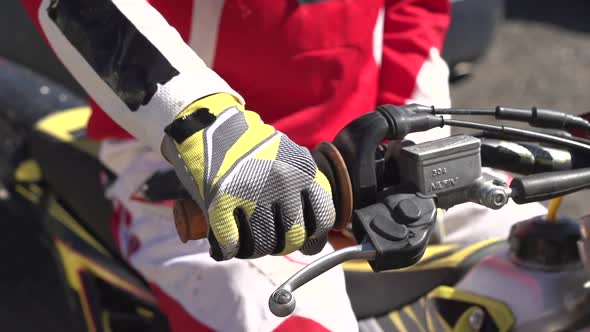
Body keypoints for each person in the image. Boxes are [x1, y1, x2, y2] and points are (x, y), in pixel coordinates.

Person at [21, 1, 545, 331]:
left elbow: (414, 11)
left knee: (551, 260)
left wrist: (410, 135)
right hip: (190, 162)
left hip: (359, 155)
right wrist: (207, 129)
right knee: (284, 319)